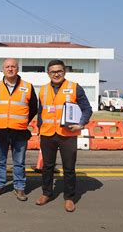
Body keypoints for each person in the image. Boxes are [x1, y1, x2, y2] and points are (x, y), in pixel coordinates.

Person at [36, 59, 92, 212]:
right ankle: (46, 193)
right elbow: (41, 112)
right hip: (47, 134)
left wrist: (81, 124)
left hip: (67, 134)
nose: (56, 74)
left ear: (64, 71)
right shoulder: (42, 89)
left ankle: (69, 197)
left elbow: (87, 109)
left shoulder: (74, 87)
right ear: (48, 73)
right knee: (47, 167)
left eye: (59, 71)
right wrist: (39, 128)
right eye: (53, 72)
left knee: (68, 168)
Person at [0, 58, 38, 201]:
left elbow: (33, 108)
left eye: (13, 66)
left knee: (19, 162)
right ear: (2, 69)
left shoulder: (28, 86)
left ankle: (19, 187)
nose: (10, 69)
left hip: (20, 131)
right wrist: (0, 120)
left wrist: (22, 121)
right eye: (7, 67)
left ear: (17, 68)